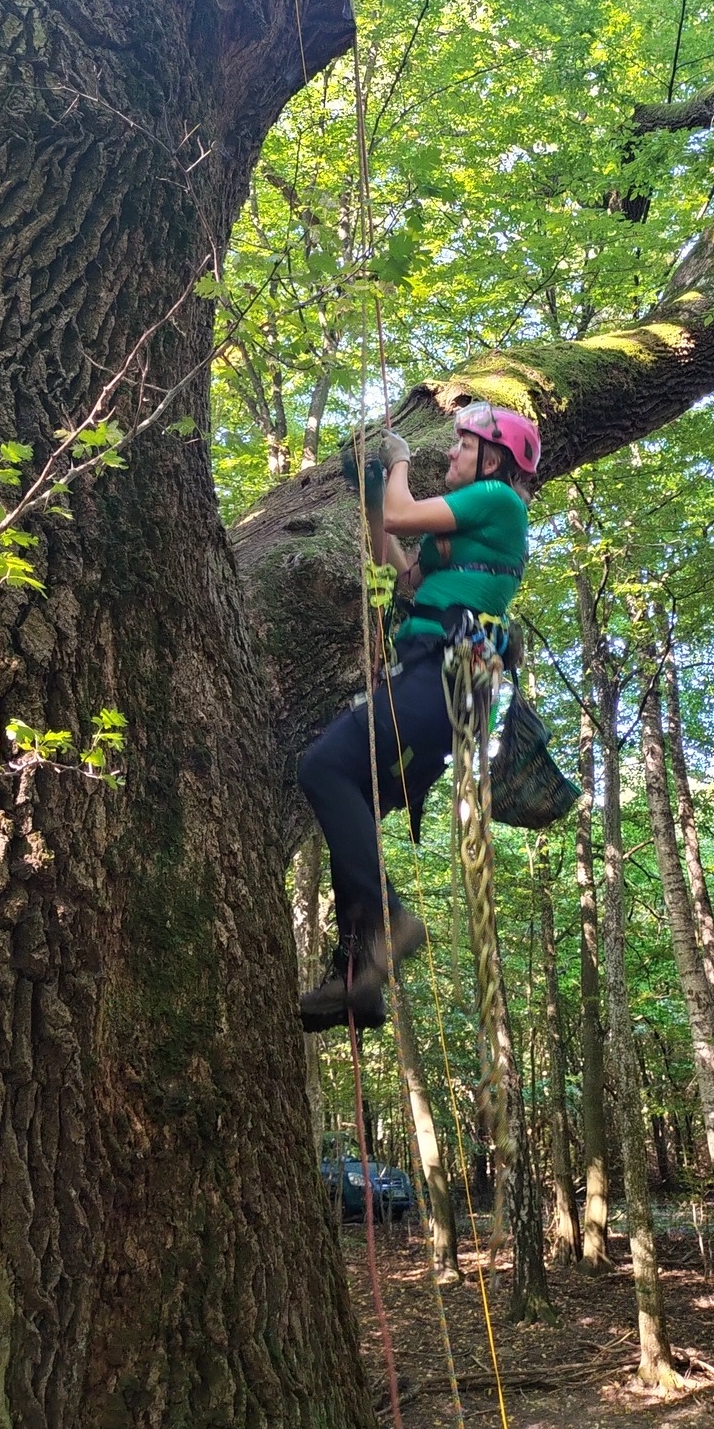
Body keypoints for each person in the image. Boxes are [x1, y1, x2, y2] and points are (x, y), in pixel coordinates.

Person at [297, 401, 541, 1032]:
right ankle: (359, 977)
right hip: (439, 688)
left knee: (325, 768)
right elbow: (399, 573)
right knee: (353, 801)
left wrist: (398, 463)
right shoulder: (462, 531)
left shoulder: (499, 499)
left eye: (463, 446)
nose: (452, 455)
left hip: (440, 679)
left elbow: (407, 512)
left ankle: (389, 921)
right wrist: (374, 499)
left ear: (494, 459)